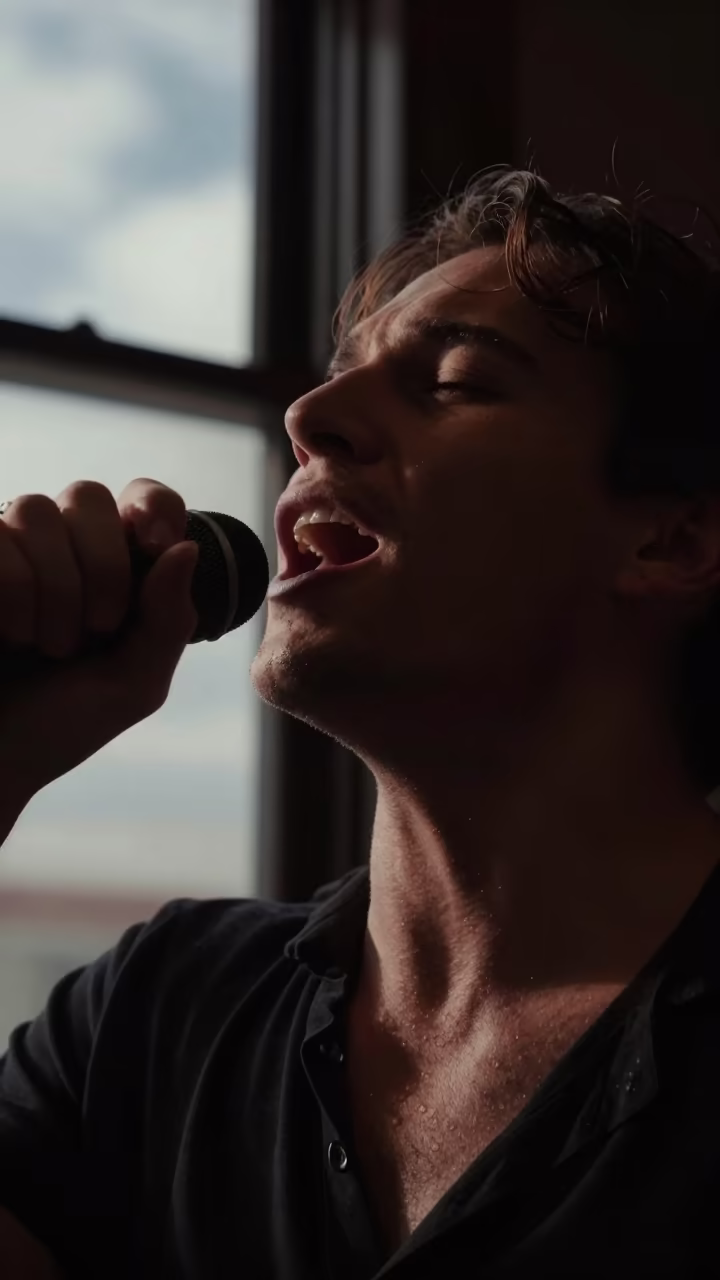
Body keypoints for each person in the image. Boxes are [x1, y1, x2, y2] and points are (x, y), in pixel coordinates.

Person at [1, 167, 719, 1278]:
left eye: (453, 382)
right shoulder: (156, 1014)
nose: (307, 416)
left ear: (668, 541)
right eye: (341, 376)